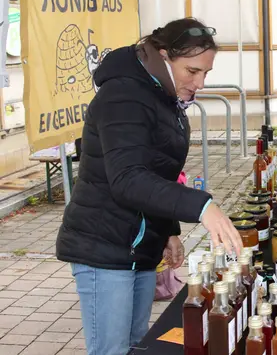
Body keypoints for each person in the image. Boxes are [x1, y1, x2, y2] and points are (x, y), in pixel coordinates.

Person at [56, 18, 244, 355]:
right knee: (112, 351)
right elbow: (128, 178)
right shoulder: (123, 95)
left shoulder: (162, 93)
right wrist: (203, 207)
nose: (200, 83)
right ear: (164, 56)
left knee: (136, 345)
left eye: (206, 73)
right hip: (104, 246)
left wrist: (168, 229)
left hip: (138, 248)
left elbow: (157, 171)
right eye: (192, 71)